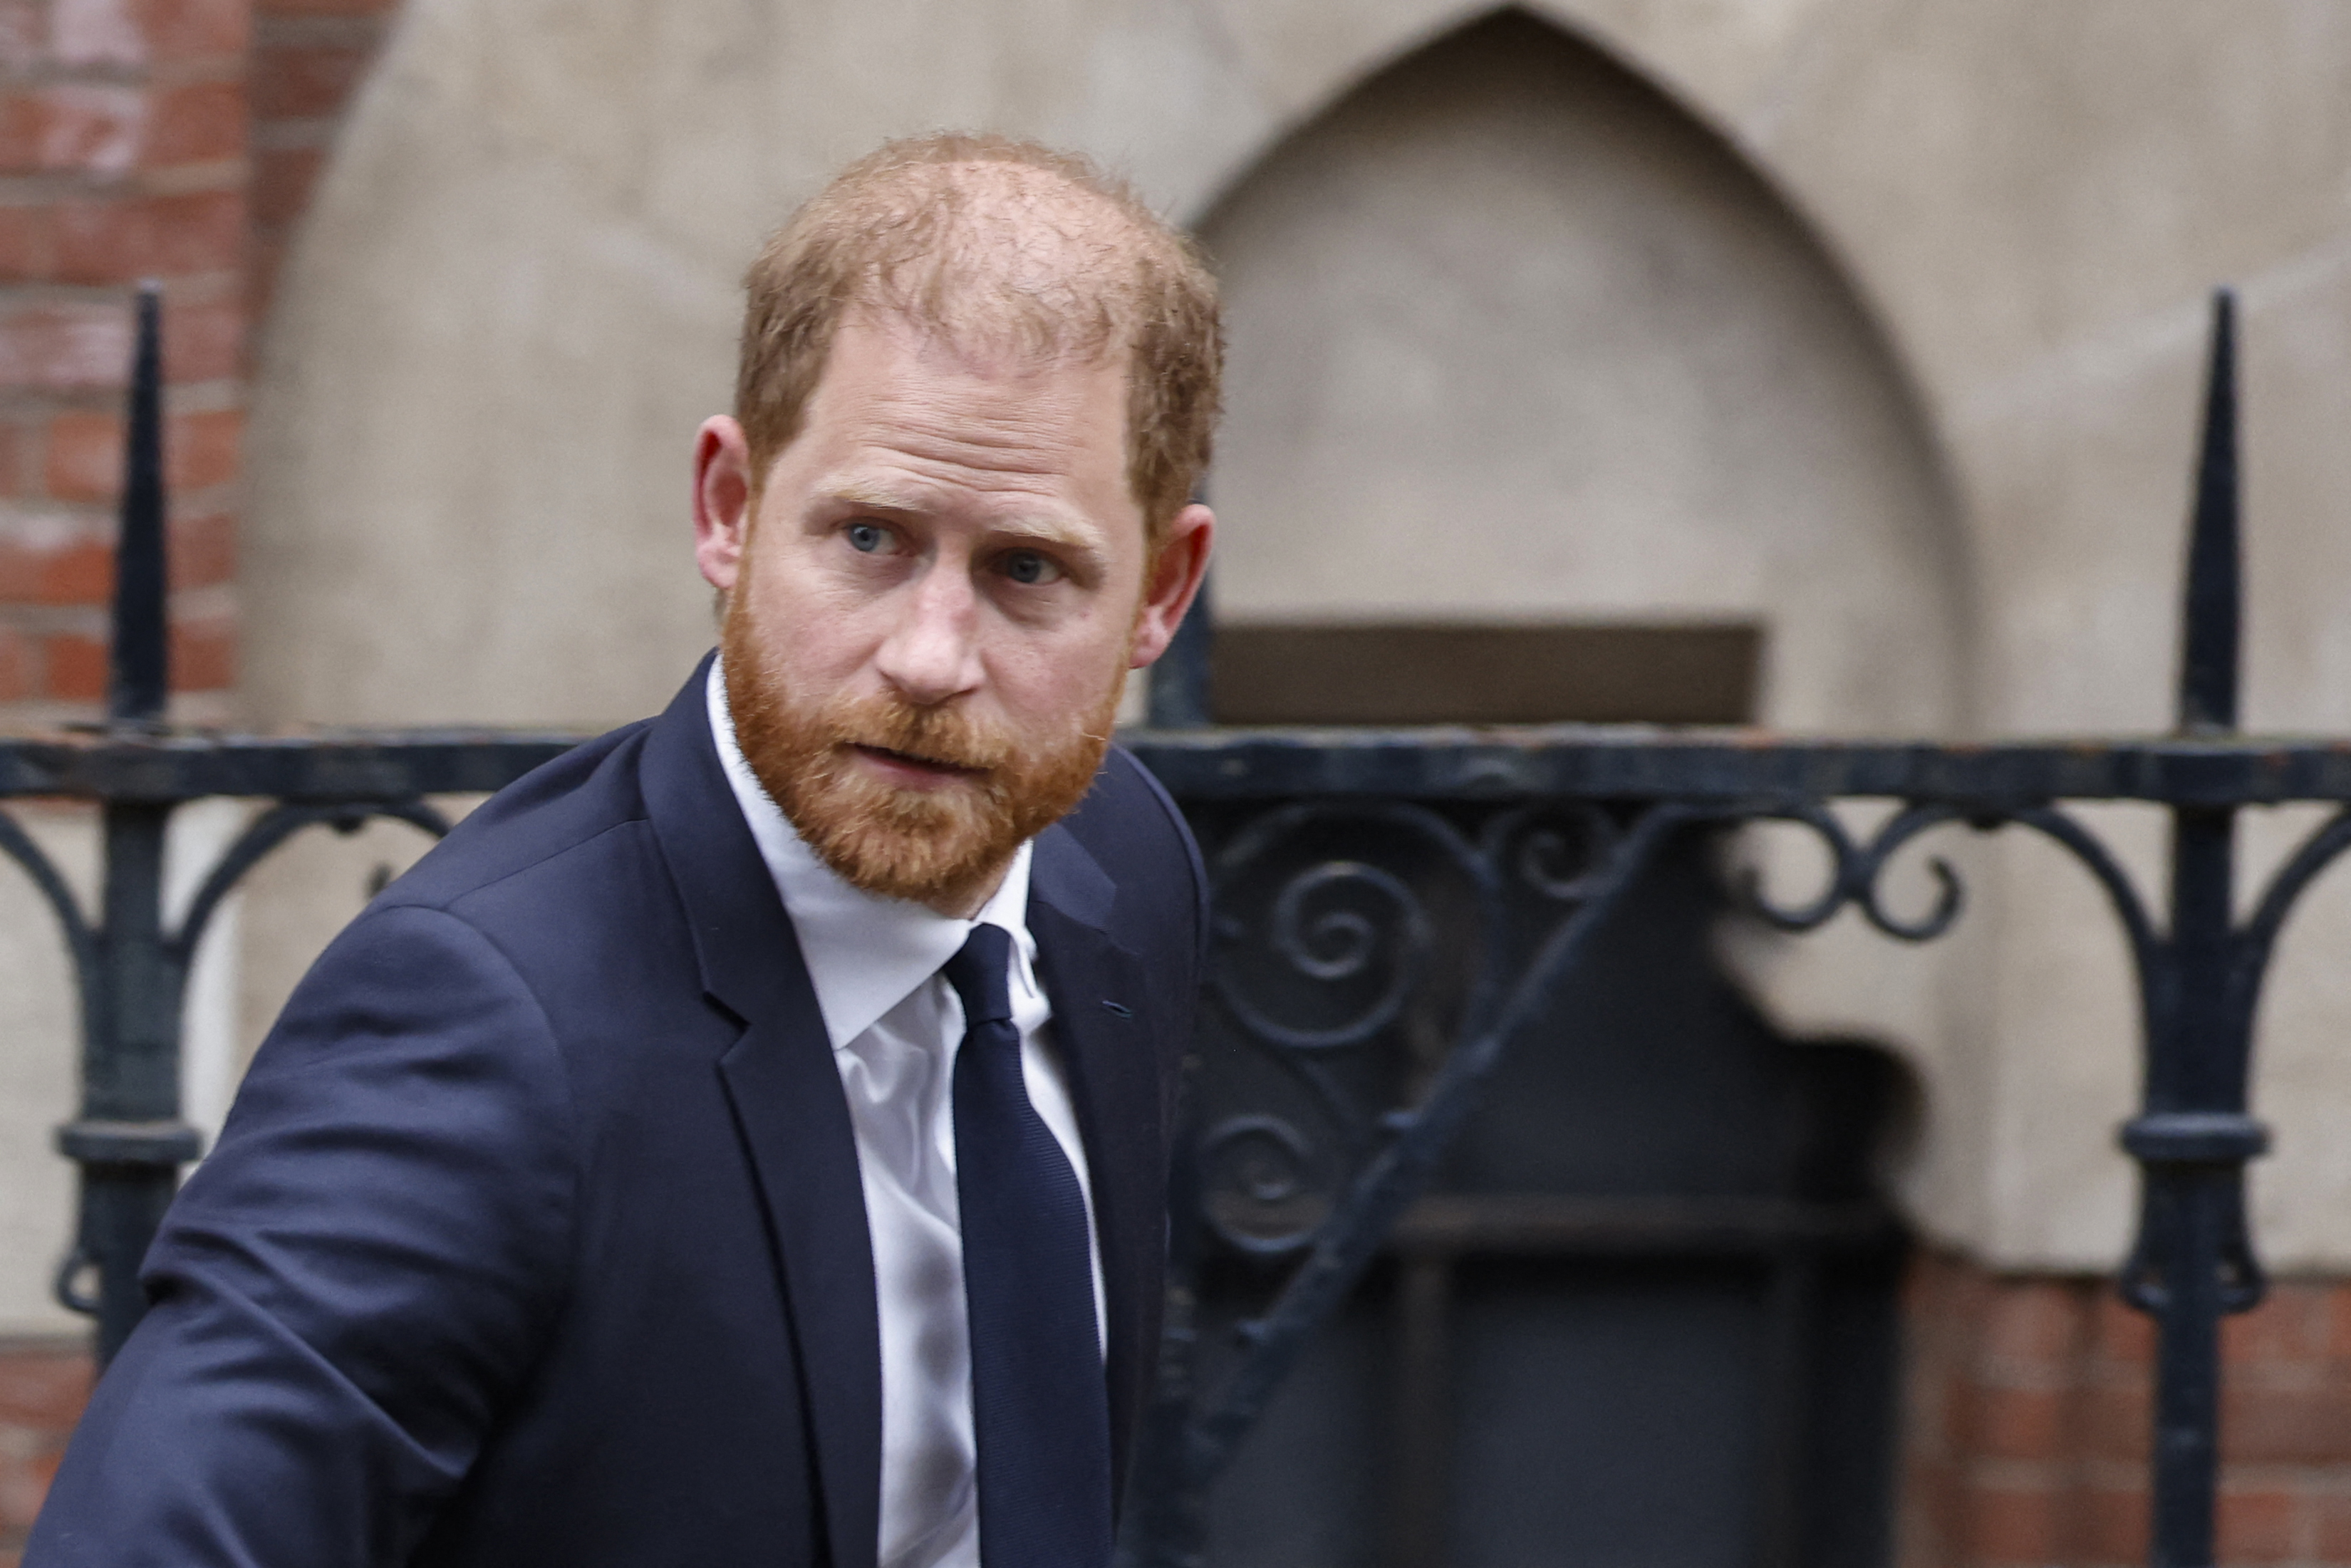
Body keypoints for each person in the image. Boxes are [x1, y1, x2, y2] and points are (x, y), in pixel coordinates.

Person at [28, 133, 1218, 1568]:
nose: (927, 657)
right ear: (729, 510)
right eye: (867, 538)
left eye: (1027, 569)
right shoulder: (486, 1025)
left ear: (1160, 592)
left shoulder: (1120, 868)